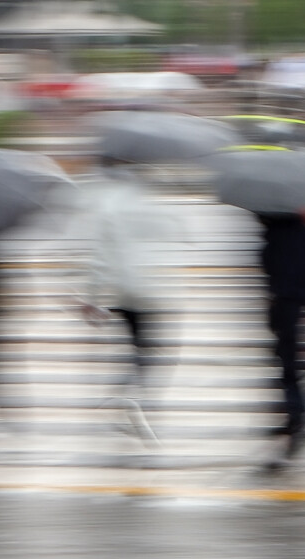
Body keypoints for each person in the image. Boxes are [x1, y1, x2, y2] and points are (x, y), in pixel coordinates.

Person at [79, 158, 180, 439]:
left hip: (125, 289)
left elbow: (100, 259)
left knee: (139, 347)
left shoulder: (108, 208)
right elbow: (170, 242)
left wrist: (92, 298)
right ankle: (133, 397)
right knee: (153, 351)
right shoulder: (151, 205)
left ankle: (127, 397)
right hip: (153, 289)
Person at [256, 212, 305, 440]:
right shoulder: (300, 228)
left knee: (289, 364)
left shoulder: (276, 233)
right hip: (300, 300)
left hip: (286, 304)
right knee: (290, 362)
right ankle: (297, 411)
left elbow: (269, 264)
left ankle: (297, 412)